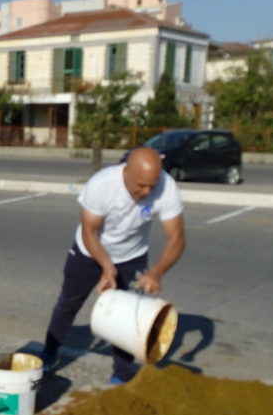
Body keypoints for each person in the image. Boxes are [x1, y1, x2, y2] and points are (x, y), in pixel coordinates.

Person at [41, 146, 185, 384]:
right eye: (141, 185)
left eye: (152, 185)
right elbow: (89, 231)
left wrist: (157, 272)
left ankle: (121, 373)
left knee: (129, 316)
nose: (147, 191)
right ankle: (49, 353)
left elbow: (177, 238)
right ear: (126, 172)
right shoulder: (102, 184)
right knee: (67, 304)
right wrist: (107, 267)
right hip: (89, 251)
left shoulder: (166, 187)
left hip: (132, 256)